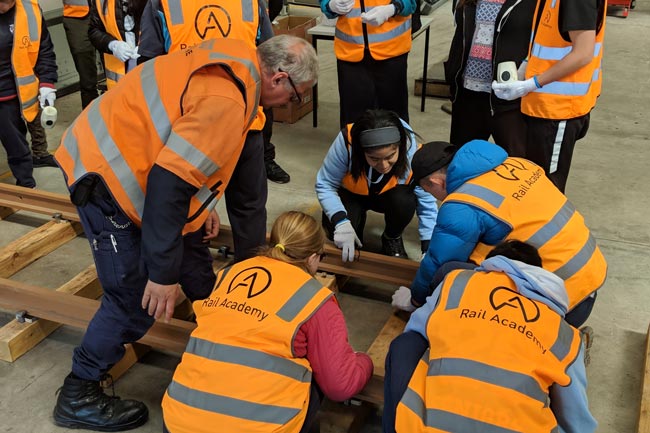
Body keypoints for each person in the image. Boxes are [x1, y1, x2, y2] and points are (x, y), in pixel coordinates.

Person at [52, 35, 318, 432]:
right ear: (278, 78)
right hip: (106, 173)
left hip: (144, 166)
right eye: (296, 97)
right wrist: (161, 275)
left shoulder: (239, 59)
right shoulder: (228, 99)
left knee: (197, 269)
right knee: (133, 296)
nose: (289, 105)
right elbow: (169, 181)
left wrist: (202, 208)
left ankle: (225, 346)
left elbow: (187, 151)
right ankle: (79, 390)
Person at [161, 211, 373, 433]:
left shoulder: (231, 274)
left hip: (178, 421)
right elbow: (340, 385)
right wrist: (362, 362)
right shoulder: (315, 299)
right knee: (316, 369)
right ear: (312, 258)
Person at [383, 240, 597, 433]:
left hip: (424, 428)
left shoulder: (459, 281)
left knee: (406, 344)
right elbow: (576, 420)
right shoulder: (566, 335)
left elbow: (418, 328)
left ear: (492, 264)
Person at [391, 139, 606, 328]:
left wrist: (415, 301)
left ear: (436, 183)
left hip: (559, 305)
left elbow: (437, 262)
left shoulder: (462, 204)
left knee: (447, 272)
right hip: (590, 278)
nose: (438, 199)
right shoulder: (518, 164)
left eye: (430, 192)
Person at [137, 0, 284, 251]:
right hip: (217, 126)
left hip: (201, 128)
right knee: (237, 210)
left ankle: (200, 278)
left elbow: (148, 66)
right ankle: (239, 277)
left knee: (186, 205)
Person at [492, 0, 607, 192]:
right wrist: (525, 70)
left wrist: (533, 83)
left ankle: (547, 222)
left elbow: (583, 53)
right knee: (536, 181)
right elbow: (546, 39)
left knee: (547, 189)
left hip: (559, 110)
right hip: (542, 106)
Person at [316, 109, 438, 262]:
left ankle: (391, 237)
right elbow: (325, 184)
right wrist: (341, 221)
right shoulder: (347, 142)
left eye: (390, 157)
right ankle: (353, 227)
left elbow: (426, 201)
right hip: (351, 195)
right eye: (373, 158)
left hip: (388, 196)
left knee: (405, 200)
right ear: (361, 151)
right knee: (341, 240)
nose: (384, 165)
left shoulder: (411, 151)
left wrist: (429, 247)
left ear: (399, 147)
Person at [444, 0, 536, 156]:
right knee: (463, 160)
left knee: (516, 163)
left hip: (509, 97)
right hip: (468, 92)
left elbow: (543, 38)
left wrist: (527, 67)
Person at [320, 0, 416, 128]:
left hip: (391, 51)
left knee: (393, 120)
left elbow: (412, 3)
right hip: (350, 51)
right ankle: (353, 147)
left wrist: (392, 8)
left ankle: (398, 147)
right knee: (354, 122)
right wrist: (330, 5)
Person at [0, 0, 57, 188]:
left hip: (13, 93)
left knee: (16, 142)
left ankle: (26, 185)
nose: (4, 7)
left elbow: (44, 49)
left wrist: (47, 83)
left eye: (8, 2)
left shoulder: (29, 10)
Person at [88, 0, 146, 89]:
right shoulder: (100, 2)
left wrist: (147, 45)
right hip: (120, 78)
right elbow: (94, 31)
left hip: (149, 68)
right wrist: (112, 45)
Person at [62, 0, 99, 108]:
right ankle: (91, 117)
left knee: (116, 67)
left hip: (108, 10)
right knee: (86, 76)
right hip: (76, 17)